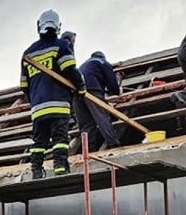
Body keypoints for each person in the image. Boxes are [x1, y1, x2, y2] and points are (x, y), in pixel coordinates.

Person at [20, 10, 86, 178]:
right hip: (58, 104)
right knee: (60, 139)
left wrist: (34, 101)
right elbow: (70, 70)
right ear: (58, 26)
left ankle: (36, 171)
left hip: (37, 109)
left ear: (38, 25)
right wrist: (81, 88)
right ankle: (60, 168)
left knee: (38, 142)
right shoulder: (61, 46)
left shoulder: (28, 53)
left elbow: (23, 85)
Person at [75, 51, 122, 150]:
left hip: (76, 94)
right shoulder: (103, 63)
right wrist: (116, 92)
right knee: (102, 117)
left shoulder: (83, 65)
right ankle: (113, 143)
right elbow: (112, 82)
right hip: (92, 91)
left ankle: (88, 150)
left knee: (86, 124)